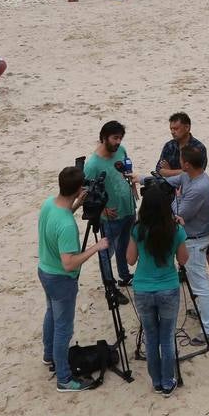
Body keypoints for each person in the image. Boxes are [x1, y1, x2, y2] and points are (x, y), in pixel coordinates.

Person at [39, 165, 108, 392]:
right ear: (79, 189)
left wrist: (78, 204)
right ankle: (64, 379)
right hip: (61, 278)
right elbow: (69, 262)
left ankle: (49, 356)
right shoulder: (67, 226)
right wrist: (96, 247)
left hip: (45, 270)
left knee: (51, 314)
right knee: (63, 329)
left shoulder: (50, 204)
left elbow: (63, 215)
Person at [128, 178, 190, 390]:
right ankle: (167, 381)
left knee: (151, 336)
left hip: (143, 289)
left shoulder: (138, 230)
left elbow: (130, 260)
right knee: (167, 336)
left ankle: (156, 381)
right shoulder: (175, 230)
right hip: (168, 288)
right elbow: (183, 260)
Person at [164, 145, 209, 346]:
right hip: (193, 239)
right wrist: (145, 179)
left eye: (181, 160)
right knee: (196, 280)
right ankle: (202, 313)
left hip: (195, 241)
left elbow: (179, 215)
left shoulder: (199, 188)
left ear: (186, 164)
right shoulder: (190, 176)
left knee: (200, 284)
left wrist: (177, 198)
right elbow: (172, 180)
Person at [84, 120, 135, 300]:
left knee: (124, 244)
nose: (118, 141)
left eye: (120, 138)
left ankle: (124, 275)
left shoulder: (121, 150)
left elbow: (126, 171)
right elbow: (86, 194)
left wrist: (133, 188)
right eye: (115, 138)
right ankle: (110, 287)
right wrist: (103, 210)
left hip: (128, 207)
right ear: (104, 138)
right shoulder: (92, 165)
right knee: (105, 252)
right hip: (111, 216)